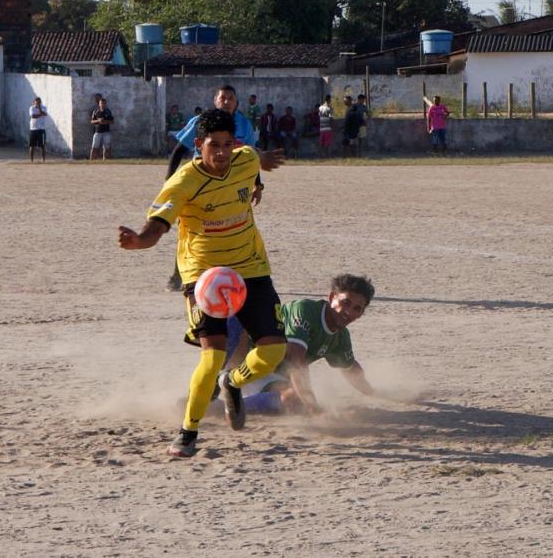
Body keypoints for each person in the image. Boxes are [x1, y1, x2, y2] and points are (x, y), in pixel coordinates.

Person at [118, 109, 288, 458]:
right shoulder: (183, 182)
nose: (223, 153)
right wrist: (139, 240)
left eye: (228, 144)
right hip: (204, 277)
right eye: (214, 145)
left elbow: (254, 157)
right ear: (199, 145)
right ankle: (188, 432)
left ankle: (234, 383)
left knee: (273, 351)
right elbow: (157, 226)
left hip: (251, 268)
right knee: (212, 359)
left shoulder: (244, 158)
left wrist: (265, 160)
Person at [229, 274, 377, 417]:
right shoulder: (305, 311)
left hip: (270, 376)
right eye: (345, 303)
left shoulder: (341, 337)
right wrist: (314, 409)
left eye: (357, 309)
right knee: (238, 320)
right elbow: (296, 361)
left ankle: (234, 405)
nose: (349, 312)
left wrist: (375, 393)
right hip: (246, 360)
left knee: (295, 399)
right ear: (332, 297)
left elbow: (351, 369)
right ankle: (222, 391)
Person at [165, 85, 260, 292]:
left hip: (232, 185)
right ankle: (179, 273)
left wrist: (257, 184)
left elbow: (251, 156)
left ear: (237, 103)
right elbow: (179, 150)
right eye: (223, 98)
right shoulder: (201, 122)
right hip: (201, 184)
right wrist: (169, 180)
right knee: (192, 229)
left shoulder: (244, 125)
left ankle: (232, 274)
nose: (226, 102)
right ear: (215, 100)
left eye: (231, 98)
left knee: (230, 227)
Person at [89, 94, 114, 160]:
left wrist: (105, 122)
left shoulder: (108, 111)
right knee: (94, 147)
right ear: (99, 104)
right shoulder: (96, 111)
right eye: (101, 103)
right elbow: (92, 121)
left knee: (107, 147)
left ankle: (106, 161)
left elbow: (112, 121)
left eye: (104, 103)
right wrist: (98, 120)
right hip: (97, 132)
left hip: (106, 132)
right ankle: (91, 161)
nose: (102, 105)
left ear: (105, 104)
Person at [29, 96, 47, 163]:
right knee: (32, 146)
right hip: (33, 129)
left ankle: (43, 160)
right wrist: (41, 114)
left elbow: (44, 114)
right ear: (34, 102)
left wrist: (39, 109)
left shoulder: (44, 107)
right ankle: (32, 160)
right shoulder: (31, 108)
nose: (38, 104)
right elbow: (33, 116)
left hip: (41, 129)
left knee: (42, 146)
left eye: (39, 102)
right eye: (36, 102)